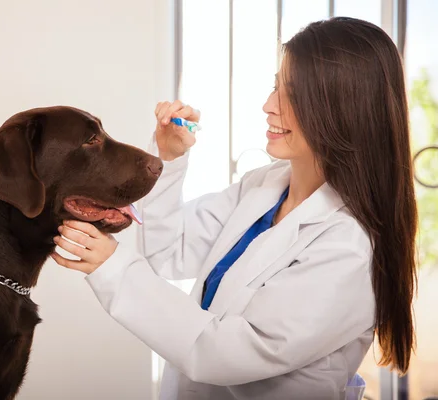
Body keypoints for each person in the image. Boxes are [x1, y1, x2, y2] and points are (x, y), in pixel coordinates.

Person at [50, 17, 418, 400]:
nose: (268, 106)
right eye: (276, 86)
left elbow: (225, 354)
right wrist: (170, 158)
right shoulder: (265, 186)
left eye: (292, 94)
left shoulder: (349, 248)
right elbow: (168, 251)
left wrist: (114, 268)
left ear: (344, 109)